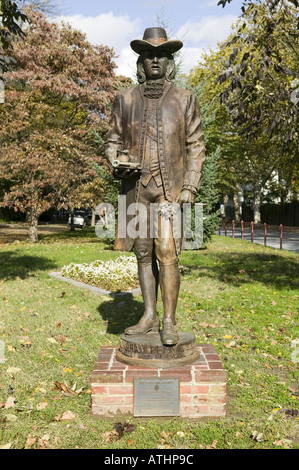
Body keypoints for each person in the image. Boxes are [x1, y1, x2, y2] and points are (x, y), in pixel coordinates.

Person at [105, 27, 205, 346]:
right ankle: (148, 315)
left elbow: (196, 145)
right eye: (149, 56)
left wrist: (190, 186)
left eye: (161, 55)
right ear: (141, 63)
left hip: (170, 190)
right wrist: (115, 160)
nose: (155, 61)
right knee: (143, 252)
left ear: (170, 62)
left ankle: (169, 320)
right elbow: (112, 141)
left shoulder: (185, 100)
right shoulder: (125, 99)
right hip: (136, 189)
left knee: (167, 251)